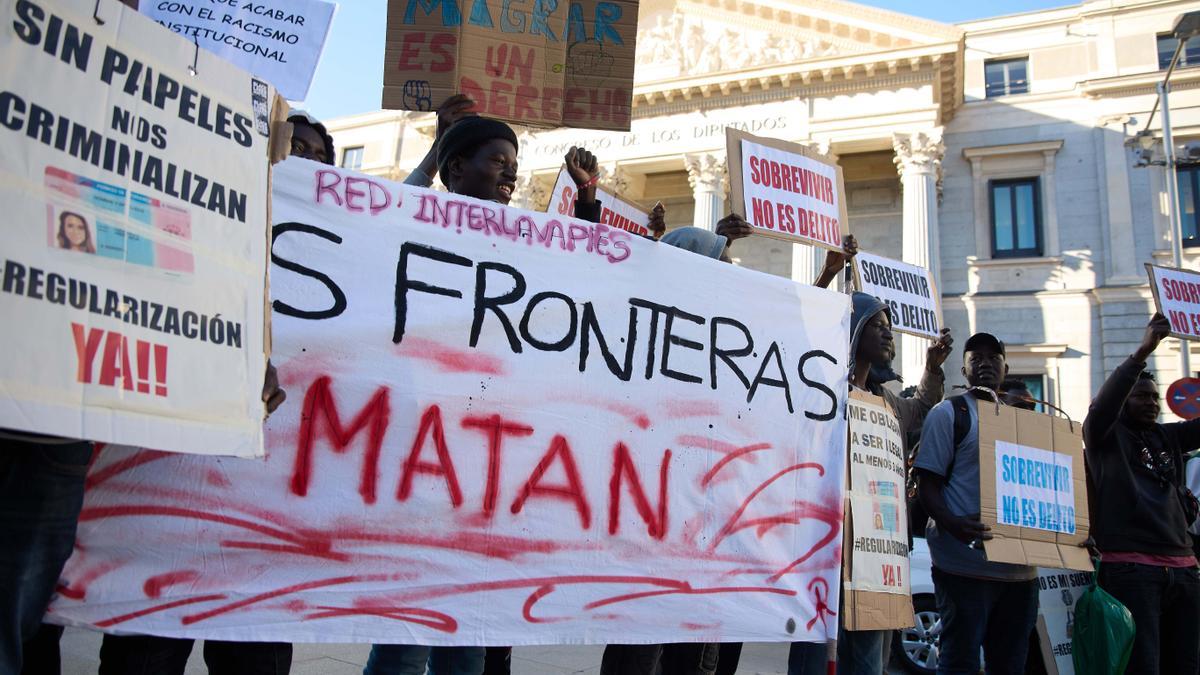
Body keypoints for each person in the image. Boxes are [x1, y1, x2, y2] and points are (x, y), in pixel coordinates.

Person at [789, 293, 951, 675]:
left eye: (889, 330)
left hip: (874, 554)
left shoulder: (887, 402)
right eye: (877, 327)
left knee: (868, 662)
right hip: (826, 548)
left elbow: (923, 410)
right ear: (853, 331)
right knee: (814, 658)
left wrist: (931, 367)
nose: (887, 337)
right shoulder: (824, 391)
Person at [601, 226, 729, 675]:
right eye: (721, 265)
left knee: (694, 661)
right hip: (648, 541)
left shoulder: (727, 344)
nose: (733, 277)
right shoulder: (638, 340)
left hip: (705, 543)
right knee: (637, 656)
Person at [914, 332, 1038, 675]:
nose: (985, 363)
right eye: (975, 358)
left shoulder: (1030, 425)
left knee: (1010, 664)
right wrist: (952, 523)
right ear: (965, 370)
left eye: (993, 357)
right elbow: (928, 486)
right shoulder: (948, 414)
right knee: (960, 661)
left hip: (1021, 572)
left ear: (1005, 367)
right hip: (964, 567)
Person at [1084, 312, 1200, 675]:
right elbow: (1101, 408)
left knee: (1185, 665)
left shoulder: (1167, 438)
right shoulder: (1104, 436)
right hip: (1131, 570)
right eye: (1142, 397)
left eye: (1155, 398)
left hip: (1183, 569)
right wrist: (1143, 351)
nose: (1152, 403)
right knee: (1141, 666)